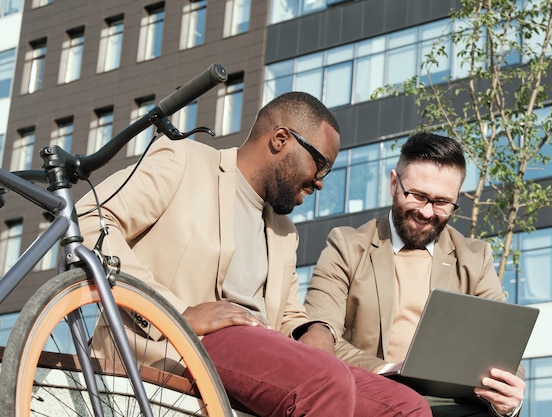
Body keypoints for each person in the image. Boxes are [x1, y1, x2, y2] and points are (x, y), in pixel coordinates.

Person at [76, 92, 432, 417]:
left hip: (260, 351)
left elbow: (287, 313)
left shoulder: (283, 230)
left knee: (407, 407)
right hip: (183, 345)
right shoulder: (183, 160)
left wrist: (313, 328)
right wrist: (178, 312)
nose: (321, 181)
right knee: (326, 381)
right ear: (281, 140)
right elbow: (88, 221)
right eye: (320, 165)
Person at [304, 132, 525, 417]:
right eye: (418, 196)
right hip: (370, 398)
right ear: (394, 183)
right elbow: (320, 334)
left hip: (454, 408)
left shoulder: (475, 257)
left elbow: (502, 348)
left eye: (443, 202)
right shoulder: (347, 246)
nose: (427, 212)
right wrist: (387, 370)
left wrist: (509, 397)